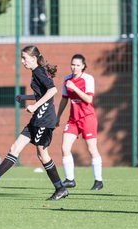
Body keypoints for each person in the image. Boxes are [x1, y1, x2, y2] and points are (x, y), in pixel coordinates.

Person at [0, 45, 68, 201]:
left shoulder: (39, 72)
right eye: (21, 58)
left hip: (45, 119)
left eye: (25, 58)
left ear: (34, 58)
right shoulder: (36, 73)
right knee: (14, 148)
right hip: (37, 119)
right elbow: (41, 94)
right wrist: (26, 98)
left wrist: (35, 106)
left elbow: (53, 91)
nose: (23, 61)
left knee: (43, 155)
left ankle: (60, 188)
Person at [56, 54, 103, 190]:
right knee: (65, 148)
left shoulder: (88, 79)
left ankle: (98, 181)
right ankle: (70, 179)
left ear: (83, 66)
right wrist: (58, 117)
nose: (74, 67)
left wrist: (75, 88)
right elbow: (64, 99)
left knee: (92, 149)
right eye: (73, 64)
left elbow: (88, 100)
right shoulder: (66, 80)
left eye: (77, 65)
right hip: (73, 119)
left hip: (87, 118)